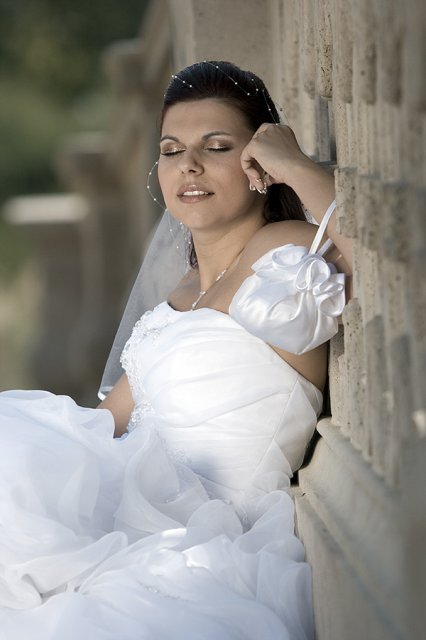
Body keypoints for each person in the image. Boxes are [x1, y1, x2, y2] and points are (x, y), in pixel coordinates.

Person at [0, 61, 351, 639]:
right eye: (171, 150)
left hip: (205, 537)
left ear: (258, 162)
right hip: (131, 517)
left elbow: (376, 254)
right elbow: (102, 427)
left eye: (217, 147)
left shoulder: (285, 251)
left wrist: (294, 164)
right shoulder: (178, 297)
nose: (189, 164)